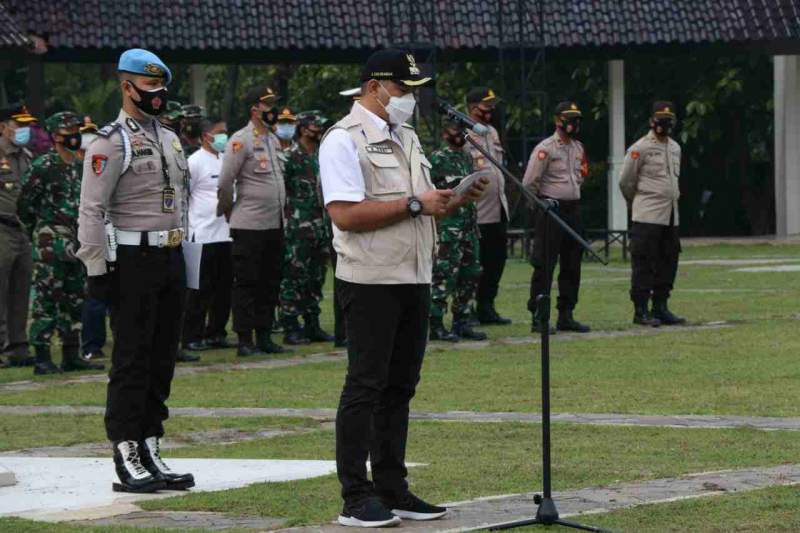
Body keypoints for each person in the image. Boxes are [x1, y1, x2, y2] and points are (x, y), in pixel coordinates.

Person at [320, 48, 488, 528]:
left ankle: (393, 489)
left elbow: (422, 206)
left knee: (400, 388)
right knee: (365, 387)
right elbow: (345, 214)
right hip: (370, 278)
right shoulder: (342, 139)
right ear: (373, 87)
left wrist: (454, 197)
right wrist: (417, 203)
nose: (409, 98)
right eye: (402, 88)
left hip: (414, 274)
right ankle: (356, 496)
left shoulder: (406, 136)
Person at [77, 48, 195, 494]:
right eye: (149, 88)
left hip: (170, 257)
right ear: (127, 87)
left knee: (162, 358)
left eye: (161, 87)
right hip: (132, 260)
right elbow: (91, 209)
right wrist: (96, 267)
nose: (157, 95)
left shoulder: (168, 137)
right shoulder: (109, 142)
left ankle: (151, 444)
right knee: (131, 360)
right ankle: (126, 449)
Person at [18, 111, 104, 375]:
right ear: (55, 136)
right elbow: (25, 205)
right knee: (46, 298)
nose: (75, 137)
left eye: (77, 132)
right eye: (70, 132)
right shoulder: (44, 165)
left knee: (74, 297)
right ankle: (42, 356)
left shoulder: (80, 167)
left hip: (77, 241)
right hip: (50, 241)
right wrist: (41, 231)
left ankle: (71, 353)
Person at [217, 86, 286, 356]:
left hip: (274, 224)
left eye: (274, 104)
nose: (272, 110)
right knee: (247, 283)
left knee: (270, 282)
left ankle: (265, 335)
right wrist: (228, 210)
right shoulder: (240, 140)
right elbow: (225, 182)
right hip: (249, 224)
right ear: (254, 109)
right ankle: (245, 339)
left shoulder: (274, 139)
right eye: (267, 105)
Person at [522, 101, 591, 334]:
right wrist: (539, 209)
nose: (574, 123)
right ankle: (539, 317)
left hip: (573, 210)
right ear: (557, 120)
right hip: (551, 211)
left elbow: (581, 175)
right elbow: (530, 183)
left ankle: (566, 314)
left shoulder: (578, 148)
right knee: (544, 265)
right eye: (569, 118)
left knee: (572, 264)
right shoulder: (546, 148)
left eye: (577, 118)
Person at [619, 101, 686, 327]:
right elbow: (626, 181)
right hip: (647, 215)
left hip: (670, 215)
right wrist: (637, 202)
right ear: (651, 121)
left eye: (668, 121)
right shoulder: (640, 148)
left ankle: (661, 306)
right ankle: (641, 310)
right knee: (644, 264)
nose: (664, 125)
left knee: (668, 261)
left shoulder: (675, 147)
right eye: (660, 120)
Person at [428, 119, 487, 342]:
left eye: (463, 131)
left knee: (470, 275)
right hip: (448, 229)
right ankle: (435, 324)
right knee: (444, 277)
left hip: (469, 226)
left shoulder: (466, 156)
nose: (460, 135)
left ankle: (462, 322)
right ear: (444, 133)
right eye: (455, 131)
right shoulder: (436, 158)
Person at [278, 111, 334, 345]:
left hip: (320, 225)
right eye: (315, 126)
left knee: (316, 276)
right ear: (303, 129)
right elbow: (281, 193)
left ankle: (312, 323)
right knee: (294, 276)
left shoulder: (322, 156)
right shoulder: (289, 156)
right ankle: (290, 324)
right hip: (297, 228)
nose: (319, 130)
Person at [181, 117, 235, 351]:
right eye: (219, 132)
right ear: (205, 136)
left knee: (224, 290)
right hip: (201, 234)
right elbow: (185, 196)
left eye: (225, 132)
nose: (224, 137)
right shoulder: (194, 162)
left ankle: (216, 332)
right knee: (199, 291)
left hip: (226, 234)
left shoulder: (227, 160)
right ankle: (192, 336)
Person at [464, 87, 511, 326]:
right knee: (474, 265)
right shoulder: (462, 133)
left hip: (498, 207)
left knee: (495, 262)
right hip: (476, 211)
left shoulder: (491, 132)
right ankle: (468, 308)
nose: (490, 111)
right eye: (486, 106)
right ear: (473, 107)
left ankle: (487, 306)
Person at [0, 104, 36, 368]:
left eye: (26, 125)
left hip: (22, 230)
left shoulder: (26, 156)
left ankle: (18, 345)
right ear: (3, 127)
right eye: (18, 124)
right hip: (1, 227)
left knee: (21, 289)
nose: (24, 130)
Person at [77, 120, 109, 362]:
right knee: (93, 293)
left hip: (111, 232)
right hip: (83, 236)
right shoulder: (72, 166)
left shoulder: (104, 163)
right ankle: (91, 344)